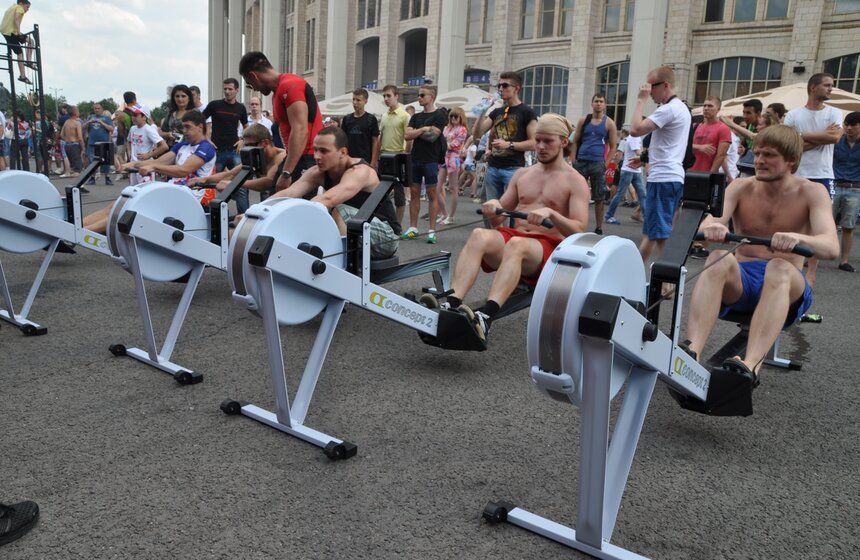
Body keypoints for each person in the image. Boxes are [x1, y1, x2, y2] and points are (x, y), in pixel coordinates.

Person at [684, 125, 839, 378]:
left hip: (787, 285)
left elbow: (831, 247)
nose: (759, 161)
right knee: (717, 258)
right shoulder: (740, 186)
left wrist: (797, 237)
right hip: (743, 283)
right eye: (757, 154)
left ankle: (751, 365)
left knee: (778, 267)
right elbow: (705, 226)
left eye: (769, 155)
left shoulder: (812, 191)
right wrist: (713, 228)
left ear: (791, 160)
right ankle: (692, 354)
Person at [423, 114, 589, 341]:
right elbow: (498, 219)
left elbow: (579, 231)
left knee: (517, 244)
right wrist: (494, 208)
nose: (541, 147)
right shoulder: (523, 174)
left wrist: (552, 214)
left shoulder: (575, 180)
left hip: (549, 250)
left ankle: (486, 316)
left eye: (548, 141)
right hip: (516, 241)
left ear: (563, 142)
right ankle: (452, 302)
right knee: (479, 234)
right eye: (538, 140)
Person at [269, 126, 400, 258]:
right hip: (357, 230)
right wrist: (261, 210)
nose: (317, 156)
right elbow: (288, 193)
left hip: (387, 238)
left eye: (324, 151)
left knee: (337, 210)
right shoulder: (318, 172)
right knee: (319, 214)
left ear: (343, 152)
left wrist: (291, 215)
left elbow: (328, 200)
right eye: (315, 150)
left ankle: (343, 265)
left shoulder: (360, 171)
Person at [82, 110, 216, 234]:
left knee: (128, 210)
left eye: (188, 127)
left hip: (187, 197)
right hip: (172, 191)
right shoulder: (183, 145)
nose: (184, 131)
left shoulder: (206, 148)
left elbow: (183, 170)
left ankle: (82, 233)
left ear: (200, 127)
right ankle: (77, 226)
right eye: (183, 127)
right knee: (118, 205)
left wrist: (154, 168)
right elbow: (159, 161)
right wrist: (133, 164)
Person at [628, 65, 692, 262]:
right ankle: (653, 275)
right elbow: (669, 144)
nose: (649, 91)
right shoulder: (681, 108)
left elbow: (635, 129)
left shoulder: (668, 109)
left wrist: (640, 100)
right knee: (657, 232)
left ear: (665, 85)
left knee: (657, 233)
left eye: (651, 87)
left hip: (663, 178)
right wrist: (645, 158)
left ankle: (664, 275)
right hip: (671, 176)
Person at [784, 72, 843, 286]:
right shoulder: (793, 115)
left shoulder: (834, 112)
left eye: (831, 85)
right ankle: (793, 265)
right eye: (827, 85)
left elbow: (834, 137)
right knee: (794, 221)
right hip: (797, 173)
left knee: (819, 225)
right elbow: (789, 144)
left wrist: (801, 137)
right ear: (813, 87)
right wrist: (820, 137)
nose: (831, 89)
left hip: (823, 175)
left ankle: (811, 273)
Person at [239, 51, 323, 197]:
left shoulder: (290, 85)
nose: (254, 89)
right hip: (295, 157)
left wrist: (287, 172)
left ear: (254, 76)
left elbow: (300, 130)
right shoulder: (277, 93)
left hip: (306, 159)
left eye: (250, 84)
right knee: (273, 204)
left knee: (289, 208)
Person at [471, 71, 537, 201]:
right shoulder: (497, 112)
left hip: (513, 168)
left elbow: (534, 143)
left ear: (516, 88)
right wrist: (483, 110)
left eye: (505, 85)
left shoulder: (527, 112)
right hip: (493, 167)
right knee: (492, 208)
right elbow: (477, 134)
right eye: (499, 86)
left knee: (510, 208)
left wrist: (509, 145)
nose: (501, 89)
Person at [402, 85, 448, 243]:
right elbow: (406, 135)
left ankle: (431, 231)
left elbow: (432, 137)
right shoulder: (416, 116)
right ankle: (413, 228)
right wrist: (423, 129)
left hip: (431, 159)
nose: (419, 98)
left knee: (432, 194)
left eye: (422, 95)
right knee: (414, 193)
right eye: (418, 95)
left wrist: (416, 132)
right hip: (415, 158)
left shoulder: (440, 115)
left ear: (432, 97)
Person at [188, 123, 285, 196]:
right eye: (246, 145)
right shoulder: (256, 156)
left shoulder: (282, 156)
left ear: (265, 143)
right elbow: (230, 174)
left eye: (251, 145)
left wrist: (234, 184)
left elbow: (268, 182)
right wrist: (203, 179)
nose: (248, 149)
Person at [572, 93, 618, 234]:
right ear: (592, 104)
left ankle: (598, 228)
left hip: (598, 163)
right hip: (581, 162)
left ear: (604, 105)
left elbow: (613, 146)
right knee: (577, 195)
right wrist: (573, 160)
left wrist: (606, 164)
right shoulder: (584, 120)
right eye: (596, 101)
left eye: (601, 101)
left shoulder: (609, 123)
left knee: (599, 197)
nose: (598, 103)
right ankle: (575, 225)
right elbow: (575, 141)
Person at [203, 78, 249, 213]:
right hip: (216, 151)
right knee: (212, 185)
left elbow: (246, 127)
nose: (227, 92)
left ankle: (244, 217)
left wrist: (243, 139)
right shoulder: (214, 105)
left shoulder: (241, 108)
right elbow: (199, 120)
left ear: (237, 90)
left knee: (241, 184)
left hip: (235, 151)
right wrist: (206, 138)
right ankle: (216, 217)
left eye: (230, 89)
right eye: (225, 89)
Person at [832, 111, 860, 272]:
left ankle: (844, 260)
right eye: (846, 124)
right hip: (835, 185)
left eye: (853, 125)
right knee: (825, 223)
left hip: (855, 188)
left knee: (848, 226)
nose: (849, 128)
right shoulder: (837, 141)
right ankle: (815, 257)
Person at [379, 84, 411, 223]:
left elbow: (409, 138)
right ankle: (386, 222)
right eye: (384, 96)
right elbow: (381, 136)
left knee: (399, 196)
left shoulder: (405, 116)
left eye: (389, 96)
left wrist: (405, 156)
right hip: (384, 156)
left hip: (398, 156)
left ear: (396, 96)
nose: (386, 99)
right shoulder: (384, 115)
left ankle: (397, 225)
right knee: (380, 194)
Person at [605, 128, 645, 225]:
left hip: (635, 170)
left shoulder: (634, 138)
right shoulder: (633, 138)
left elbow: (622, 154)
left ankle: (647, 218)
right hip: (628, 170)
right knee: (621, 194)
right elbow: (638, 153)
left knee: (643, 195)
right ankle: (609, 216)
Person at [438, 107, 468, 224]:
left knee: (453, 188)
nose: (453, 118)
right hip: (444, 158)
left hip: (453, 159)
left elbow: (454, 145)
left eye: (456, 116)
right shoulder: (447, 128)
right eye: (451, 116)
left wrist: (443, 144)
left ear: (461, 117)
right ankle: (445, 214)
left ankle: (451, 216)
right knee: (437, 187)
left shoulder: (462, 129)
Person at [126, 106, 168, 185]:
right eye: (132, 115)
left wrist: (149, 155)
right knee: (134, 190)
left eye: (136, 115)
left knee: (145, 190)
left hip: (145, 166)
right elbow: (128, 141)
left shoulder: (149, 130)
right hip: (133, 165)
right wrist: (129, 153)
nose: (133, 117)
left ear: (144, 117)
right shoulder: (133, 128)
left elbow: (164, 146)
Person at [340, 88, 380, 168]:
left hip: (365, 161)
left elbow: (375, 141)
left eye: (358, 100)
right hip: (349, 160)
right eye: (353, 99)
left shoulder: (371, 119)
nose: (355, 102)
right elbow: (342, 140)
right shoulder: (347, 119)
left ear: (365, 101)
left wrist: (373, 161)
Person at [0, 0, 33, 84]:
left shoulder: (12, 7)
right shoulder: (19, 8)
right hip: (10, 33)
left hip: (9, 31)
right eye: (27, 7)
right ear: (21, 3)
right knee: (20, 52)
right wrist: (19, 32)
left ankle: (29, 62)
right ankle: (23, 76)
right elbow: (17, 19)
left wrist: (18, 32)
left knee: (30, 41)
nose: (27, 9)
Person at [82, 103, 115, 185]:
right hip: (92, 143)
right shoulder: (90, 117)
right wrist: (89, 122)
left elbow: (111, 129)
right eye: (95, 108)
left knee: (105, 162)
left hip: (104, 142)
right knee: (92, 162)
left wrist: (101, 122)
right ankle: (92, 178)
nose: (97, 110)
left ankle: (107, 178)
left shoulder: (106, 118)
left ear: (102, 109)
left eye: (98, 108)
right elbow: (83, 127)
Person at [60, 105, 83, 178]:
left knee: (72, 166)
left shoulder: (66, 122)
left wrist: (67, 139)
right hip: (74, 145)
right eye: (78, 111)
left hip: (67, 145)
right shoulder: (77, 123)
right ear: (75, 113)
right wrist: (83, 147)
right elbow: (80, 137)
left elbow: (61, 134)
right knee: (77, 170)